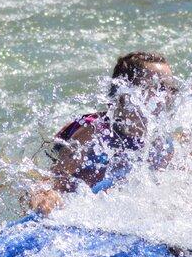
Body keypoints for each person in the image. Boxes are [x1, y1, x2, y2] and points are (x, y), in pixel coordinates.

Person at [26, 51, 182, 214]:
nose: (167, 96)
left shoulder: (161, 144)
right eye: (159, 87)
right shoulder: (94, 133)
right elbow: (52, 179)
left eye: (171, 89)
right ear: (128, 92)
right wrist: (46, 198)